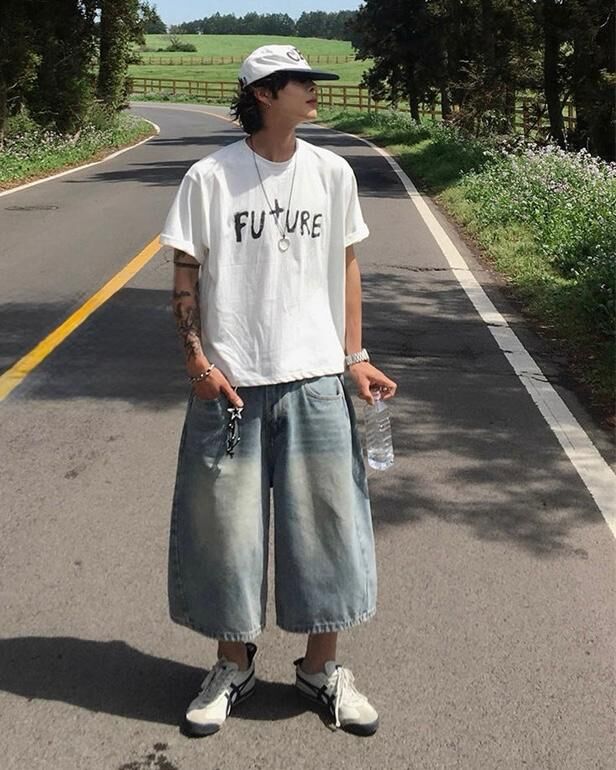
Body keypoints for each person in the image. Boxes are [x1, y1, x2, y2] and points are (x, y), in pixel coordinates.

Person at [160, 44, 397, 739]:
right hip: (230, 386)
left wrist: (355, 355)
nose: (315, 90)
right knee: (223, 533)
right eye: (301, 82)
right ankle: (231, 665)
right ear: (264, 93)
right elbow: (185, 274)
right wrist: (197, 362)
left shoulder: (332, 172)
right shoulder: (209, 178)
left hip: (316, 381)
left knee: (329, 529)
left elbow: (346, 264)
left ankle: (322, 668)